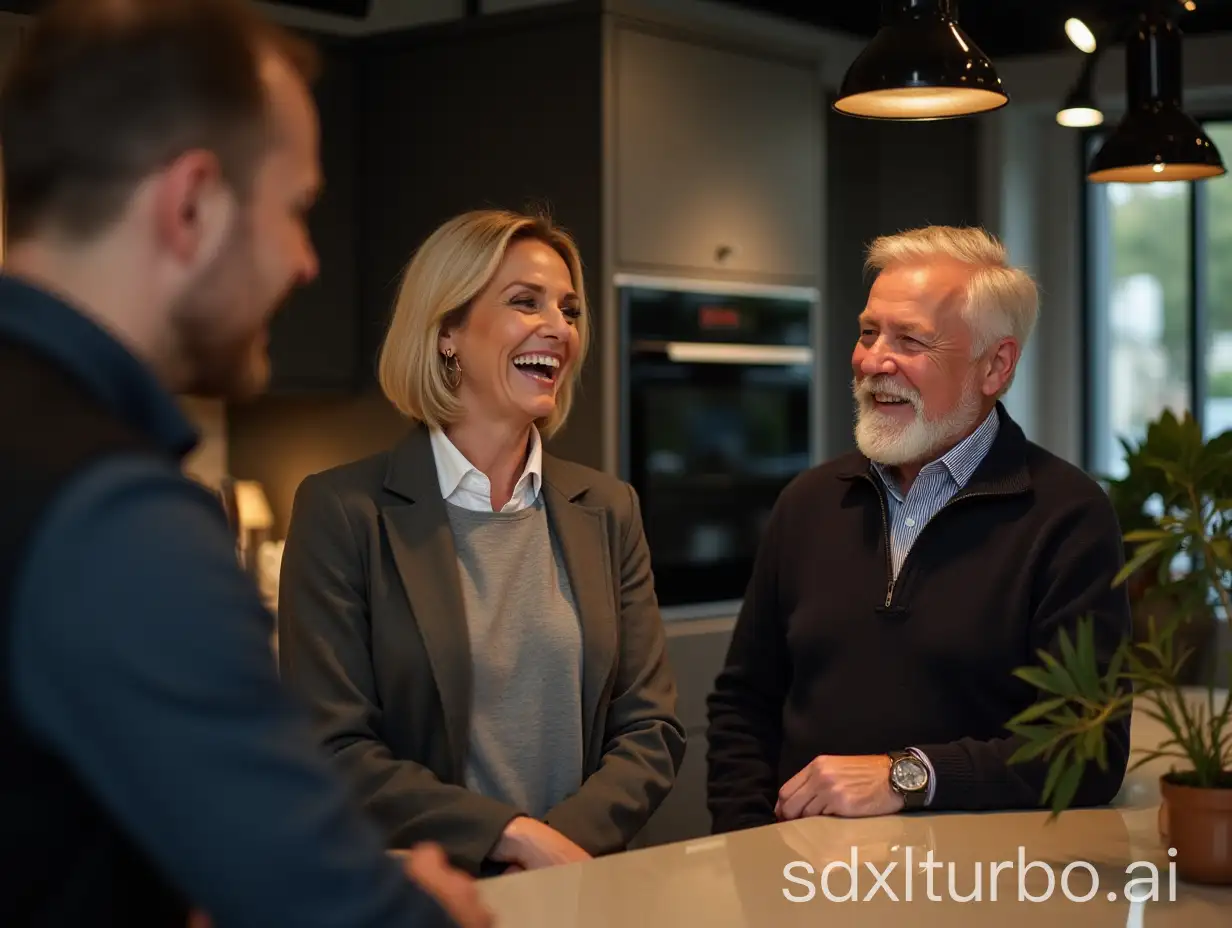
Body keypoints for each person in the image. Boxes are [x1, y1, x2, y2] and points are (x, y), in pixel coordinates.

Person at [0, 1, 490, 926]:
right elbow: (322, 901)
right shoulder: (115, 514)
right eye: (297, 209)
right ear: (190, 206)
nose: (308, 263)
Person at [278, 208, 686, 876]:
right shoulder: (343, 511)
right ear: (447, 334)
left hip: (580, 884)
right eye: (525, 303)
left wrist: (559, 848)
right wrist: (511, 836)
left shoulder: (608, 510)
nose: (558, 328)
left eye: (570, 310)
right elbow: (333, 745)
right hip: (423, 898)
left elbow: (650, 729)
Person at [705, 225, 1131, 833]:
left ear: (995, 365)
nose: (874, 360)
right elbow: (744, 707)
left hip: (985, 891)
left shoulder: (1069, 517)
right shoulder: (807, 503)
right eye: (868, 331)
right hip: (804, 887)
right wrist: (747, 849)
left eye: (911, 340)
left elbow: (1087, 748)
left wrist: (910, 774)